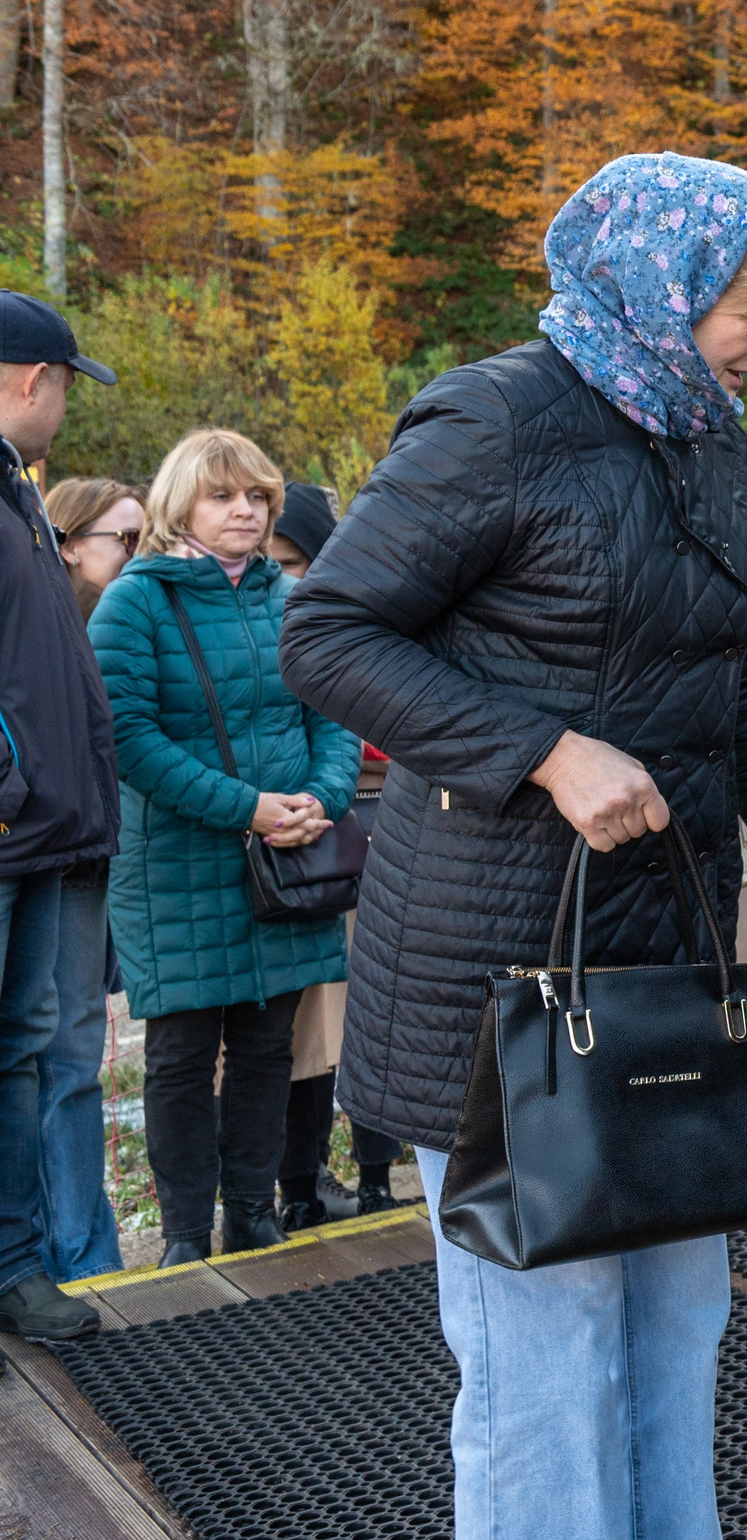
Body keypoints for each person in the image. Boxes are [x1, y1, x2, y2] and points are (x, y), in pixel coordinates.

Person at [279, 152, 747, 1540]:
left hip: (667, 961)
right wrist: (542, 752)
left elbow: (731, 680)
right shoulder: (494, 418)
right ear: (663, 289)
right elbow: (328, 636)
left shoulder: (708, 438)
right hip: (495, 981)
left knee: (678, 1340)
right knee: (541, 1372)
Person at [88, 431, 361, 1265]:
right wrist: (248, 808)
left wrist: (322, 798)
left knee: (267, 1045)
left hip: (286, 858)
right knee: (178, 1054)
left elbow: (336, 714)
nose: (244, 509)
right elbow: (127, 738)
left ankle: (251, 1211)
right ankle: (180, 1234)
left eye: (256, 496)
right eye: (223, 496)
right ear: (182, 506)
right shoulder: (134, 603)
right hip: (178, 864)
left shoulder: (295, 600)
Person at [0, 292, 121, 1342]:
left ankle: (12, 1268)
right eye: (70, 385)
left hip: (38, 834)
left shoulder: (16, 494)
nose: (68, 408)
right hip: (9, 825)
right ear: (32, 378)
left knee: (21, 1045)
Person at [266, 481, 407, 1230]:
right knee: (311, 1019)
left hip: (382, 811)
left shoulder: (367, 603)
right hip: (308, 819)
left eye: (294, 559)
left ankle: (379, 1172)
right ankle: (302, 1177)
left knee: (372, 1003)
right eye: (272, 560)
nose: (281, 575)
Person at [35, 477, 142, 1282]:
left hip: (82, 856)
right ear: (70, 542)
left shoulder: (122, 623)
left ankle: (82, 1250)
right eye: (125, 541)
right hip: (31, 847)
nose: (138, 557)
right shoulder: (36, 620)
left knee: (74, 1060)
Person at [48, 476, 145, 618]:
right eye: (130, 537)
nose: (143, 552)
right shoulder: (32, 626)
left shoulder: (150, 621)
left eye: (148, 538)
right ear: (69, 548)